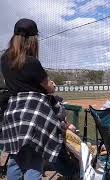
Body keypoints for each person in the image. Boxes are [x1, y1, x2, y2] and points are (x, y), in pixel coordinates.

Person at [0, 18, 76, 179]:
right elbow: (49, 87)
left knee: (16, 160)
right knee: (35, 161)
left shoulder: (4, 59)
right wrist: (52, 85)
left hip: (13, 115)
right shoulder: (32, 62)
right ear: (32, 40)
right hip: (35, 115)